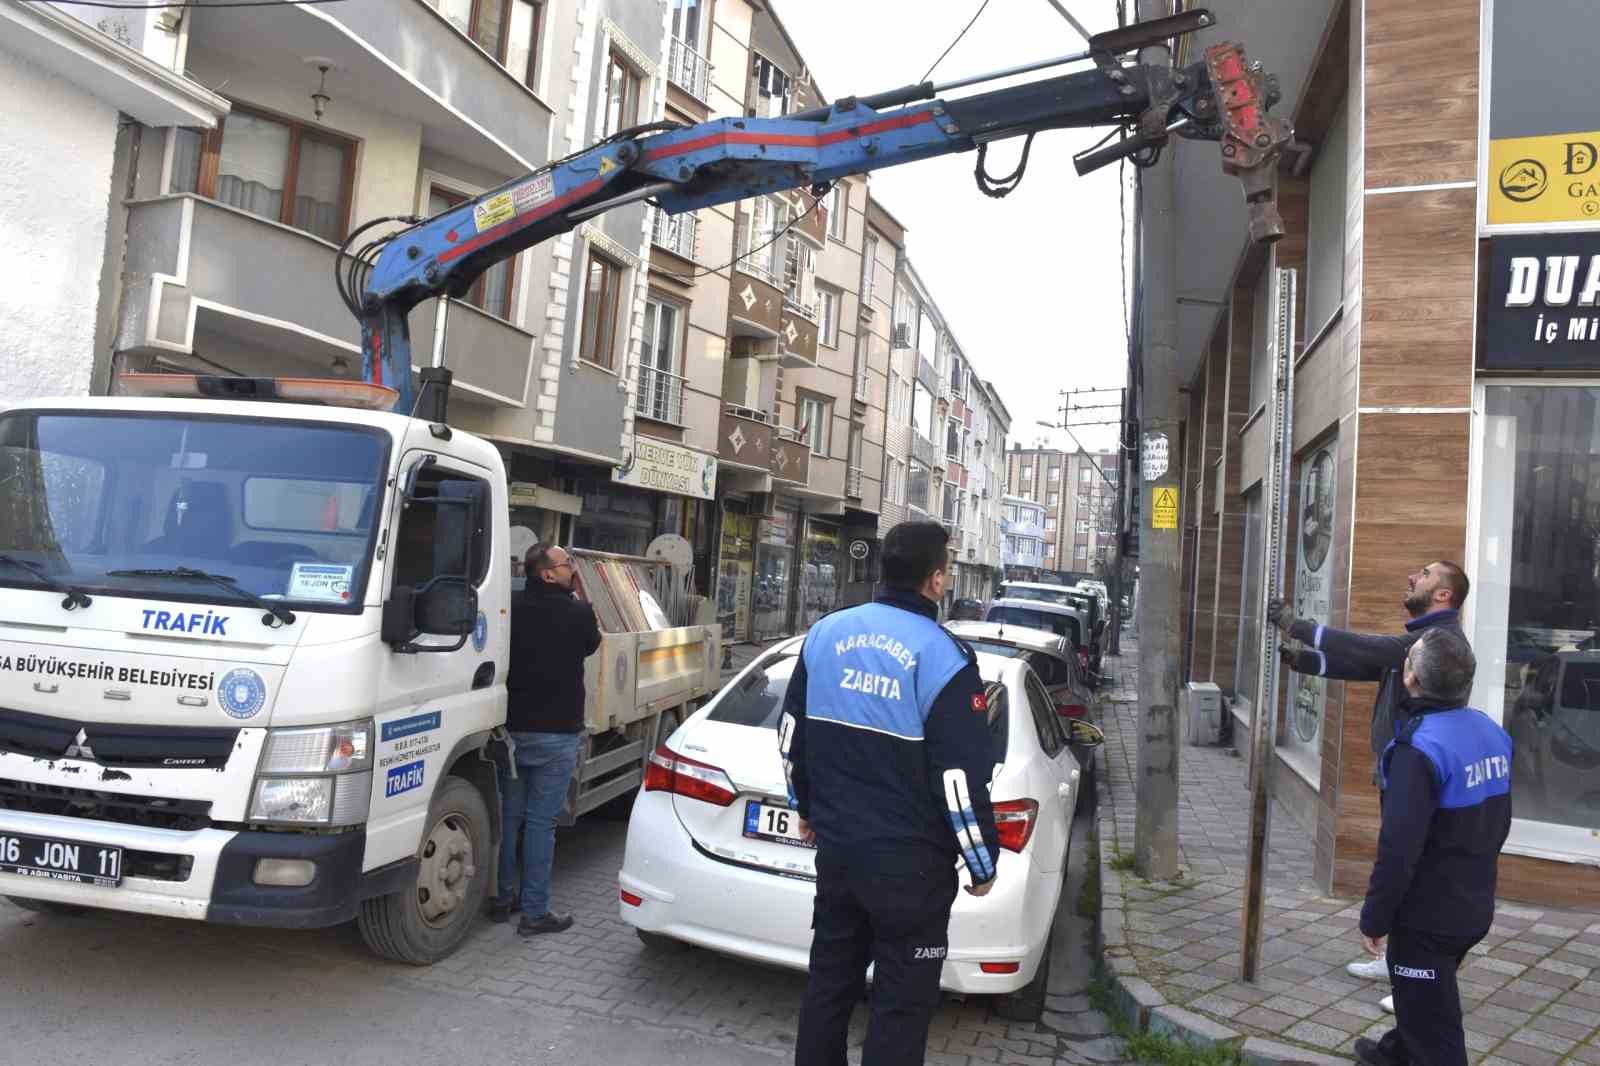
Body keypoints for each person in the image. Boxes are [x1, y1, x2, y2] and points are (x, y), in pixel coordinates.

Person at [780, 520, 1000, 1066]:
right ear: (937, 580)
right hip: (912, 872)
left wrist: (805, 808)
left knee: (829, 984)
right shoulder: (946, 658)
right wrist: (981, 861)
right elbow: (957, 782)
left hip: (839, 856)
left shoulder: (826, 633)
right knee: (900, 1007)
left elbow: (790, 739)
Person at [1268, 560, 1470, 995]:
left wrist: (1298, 628)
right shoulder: (1421, 641)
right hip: (1401, 769)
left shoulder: (1438, 641)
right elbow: (1372, 666)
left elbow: (1371, 651)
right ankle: (1394, 959)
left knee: (1412, 871)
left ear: (1443, 595)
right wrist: (1306, 662)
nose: (1412, 576)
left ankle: (1417, 982)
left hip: (1418, 771)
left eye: (1426, 574)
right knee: (1404, 867)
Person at [1352, 628, 1511, 1066]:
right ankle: (1392, 1055)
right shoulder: (1492, 733)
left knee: (1436, 1035)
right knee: (1424, 995)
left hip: (1427, 918)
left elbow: (1398, 849)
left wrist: (1375, 917)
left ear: (1411, 681)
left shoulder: (1417, 749)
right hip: (1474, 903)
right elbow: (1501, 824)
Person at [490, 542, 602, 936]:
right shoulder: (578, 612)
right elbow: (592, 644)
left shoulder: (510, 611)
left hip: (512, 732)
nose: (573, 568)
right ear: (547, 573)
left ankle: (503, 897)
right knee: (541, 825)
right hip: (556, 734)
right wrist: (576, 597)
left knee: (510, 819)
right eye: (566, 563)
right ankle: (534, 912)